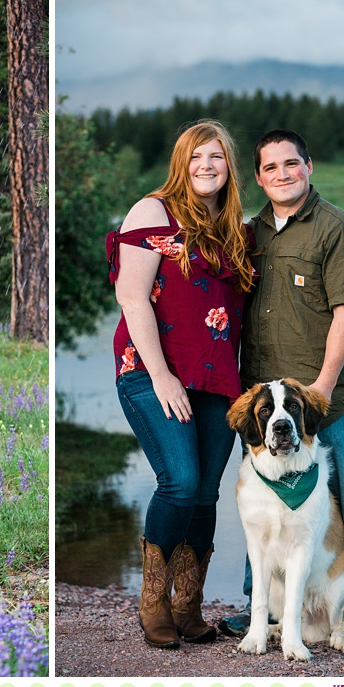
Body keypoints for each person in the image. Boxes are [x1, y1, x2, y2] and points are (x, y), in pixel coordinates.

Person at [217, 129, 344, 653]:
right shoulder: (251, 235)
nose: (282, 174)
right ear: (259, 177)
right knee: (266, 506)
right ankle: (263, 612)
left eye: (291, 164)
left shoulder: (341, 230)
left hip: (325, 398)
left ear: (308, 167)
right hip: (266, 406)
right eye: (270, 168)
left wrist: (321, 389)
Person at [106, 120, 255, 649]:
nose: (206, 167)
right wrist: (163, 375)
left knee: (207, 492)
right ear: (181, 163)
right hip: (151, 371)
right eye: (196, 158)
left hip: (218, 380)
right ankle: (153, 604)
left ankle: (187, 604)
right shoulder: (154, 211)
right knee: (182, 482)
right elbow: (131, 296)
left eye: (215, 157)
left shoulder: (234, 226)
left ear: (228, 165)